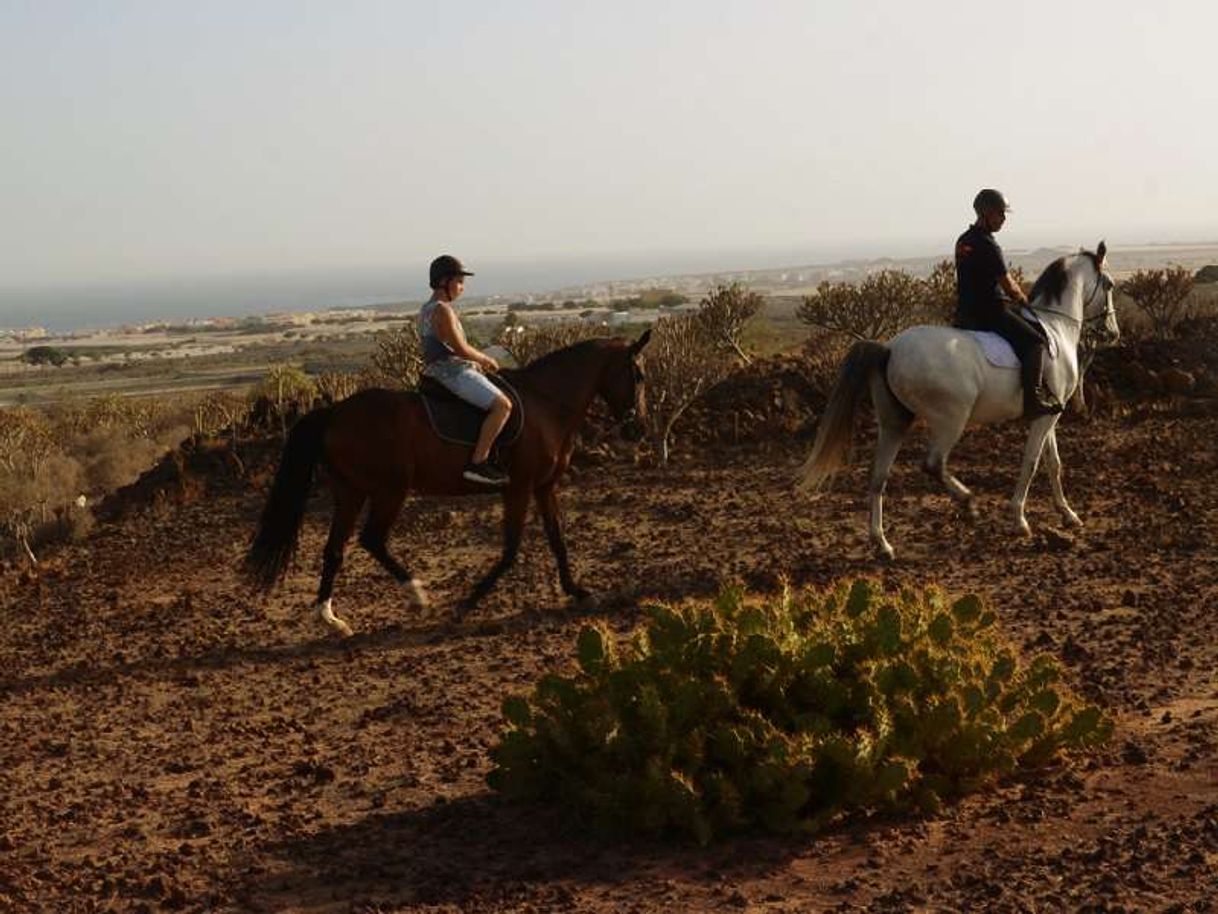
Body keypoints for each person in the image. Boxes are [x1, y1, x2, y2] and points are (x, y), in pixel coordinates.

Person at [954, 189, 1063, 418]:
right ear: (986, 213)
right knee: (1036, 342)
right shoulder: (988, 244)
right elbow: (1008, 285)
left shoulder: (963, 240)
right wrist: (1024, 300)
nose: (1003, 219)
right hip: (990, 313)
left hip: (964, 313)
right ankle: (1033, 401)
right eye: (1000, 214)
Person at [418, 254, 513, 486]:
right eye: (459, 281)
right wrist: (485, 359)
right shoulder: (443, 310)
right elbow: (460, 349)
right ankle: (478, 463)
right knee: (503, 406)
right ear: (444, 282)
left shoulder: (425, 309)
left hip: (435, 371)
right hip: (453, 373)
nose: (462, 287)